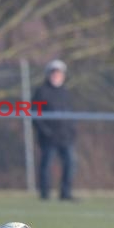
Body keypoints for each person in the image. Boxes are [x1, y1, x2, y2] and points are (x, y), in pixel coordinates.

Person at [32, 59, 77, 201]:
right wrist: (45, 131)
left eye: (59, 73)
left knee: (70, 164)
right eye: (54, 73)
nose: (56, 76)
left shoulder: (65, 92)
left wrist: (72, 131)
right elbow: (35, 115)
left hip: (65, 137)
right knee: (46, 166)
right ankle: (45, 194)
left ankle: (65, 193)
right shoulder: (41, 92)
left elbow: (70, 114)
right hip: (49, 138)